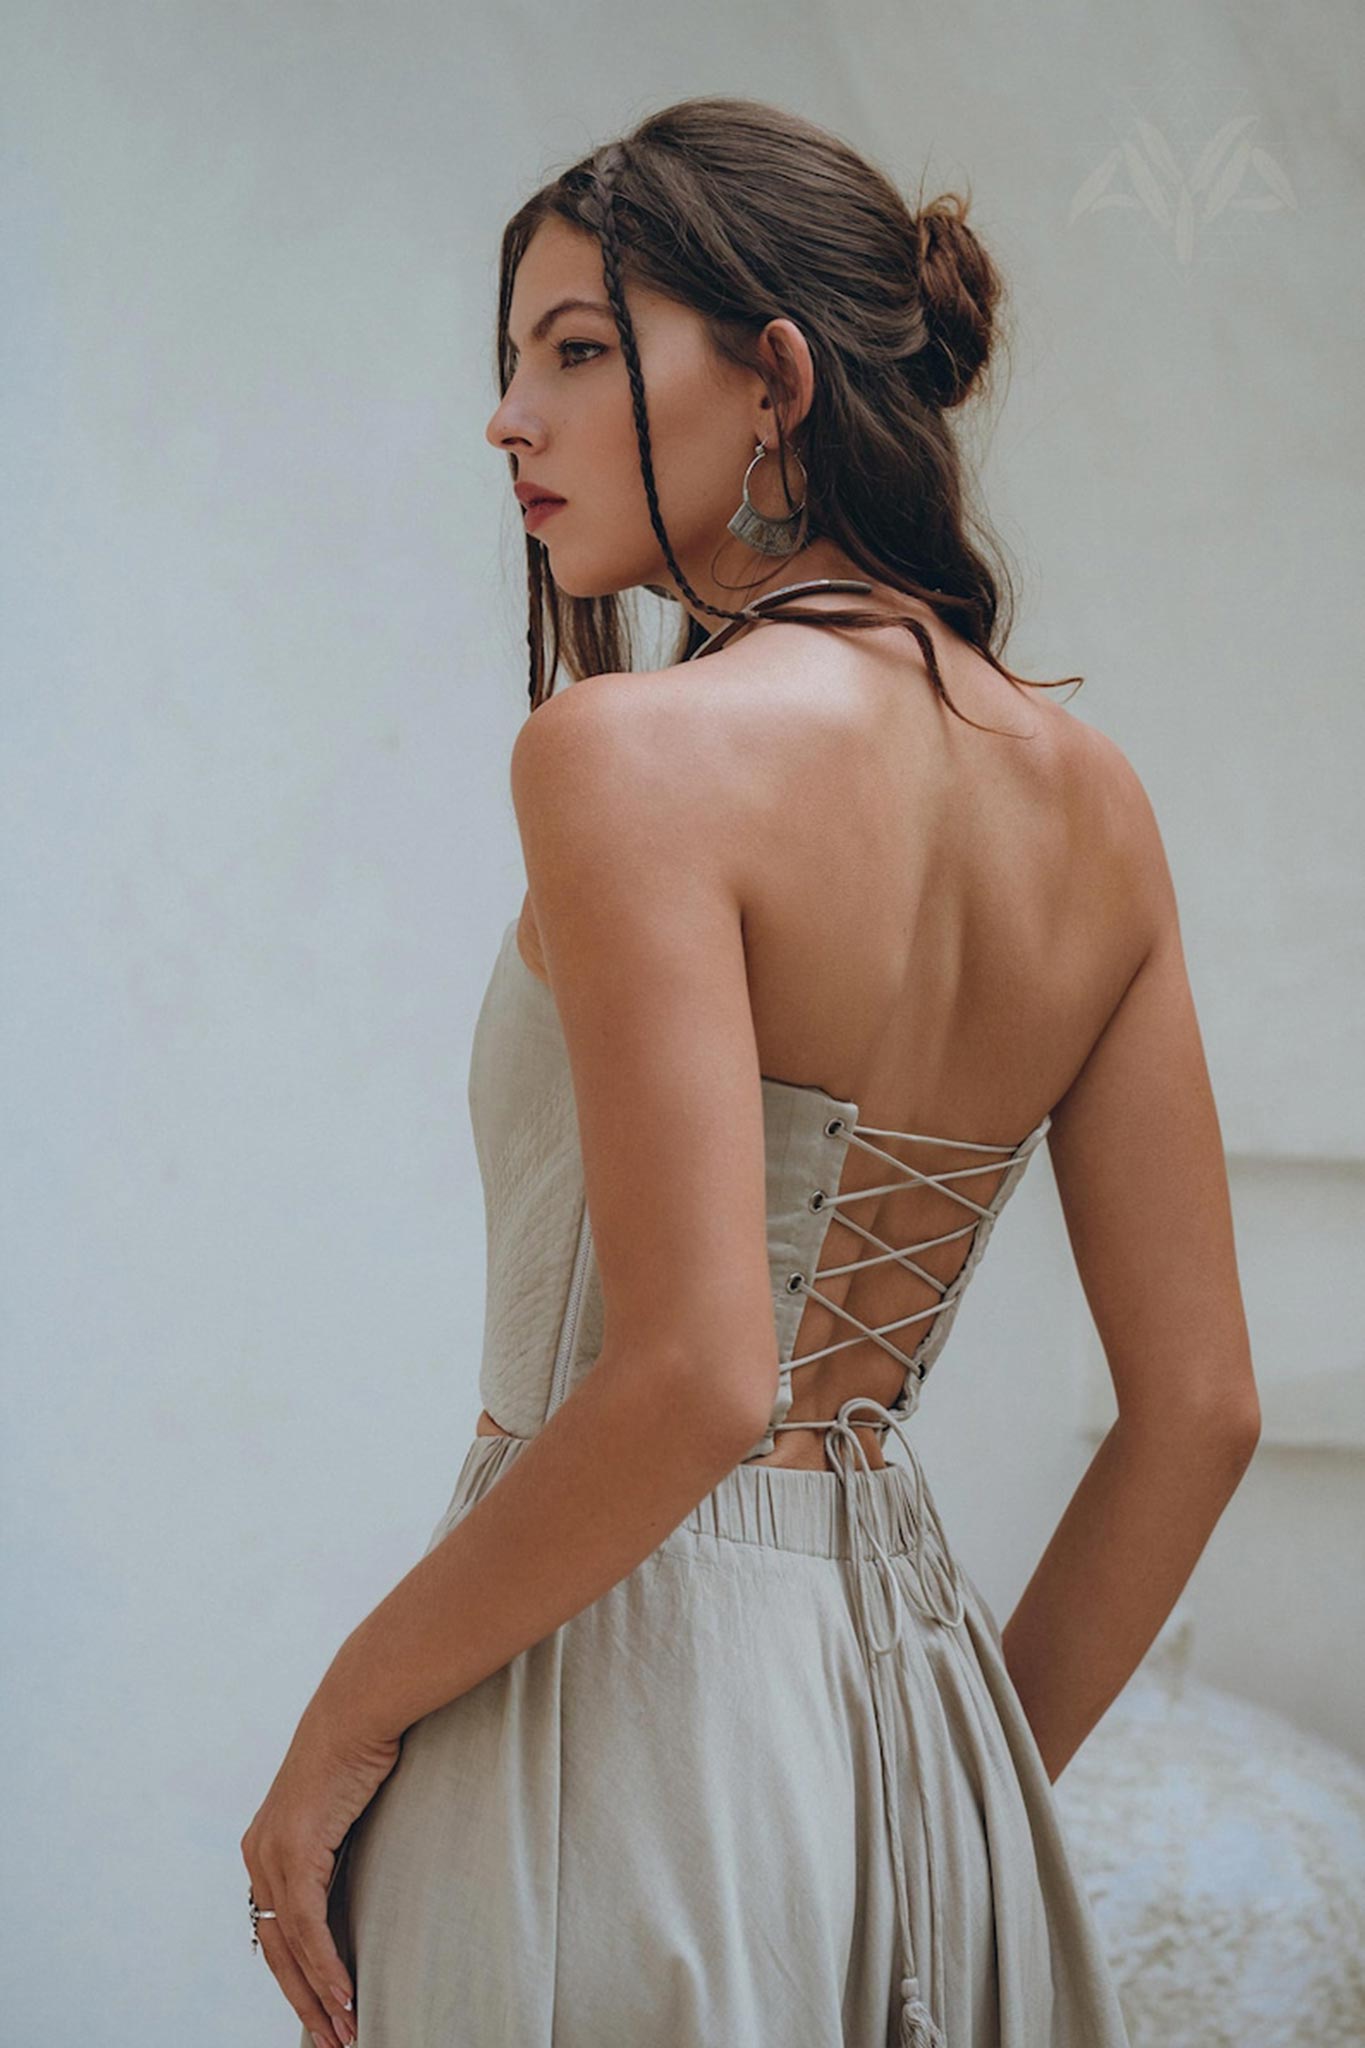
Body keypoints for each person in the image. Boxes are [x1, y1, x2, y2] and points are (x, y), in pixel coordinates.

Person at [241, 95, 1261, 2048]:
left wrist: (340, 1719)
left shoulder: (622, 753)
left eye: (577, 349)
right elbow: (1200, 1410)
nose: (507, 418)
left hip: (600, 1710)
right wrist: (958, 1786)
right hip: (914, 1728)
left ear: (773, 378)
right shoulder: (1093, 804)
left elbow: (696, 1376)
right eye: (507, 358)